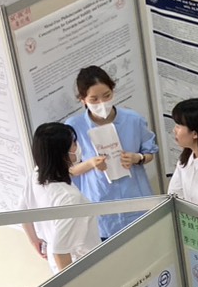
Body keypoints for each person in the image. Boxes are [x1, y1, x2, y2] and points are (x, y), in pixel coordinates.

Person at [67, 66, 159, 241]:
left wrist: (137, 158)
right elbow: (69, 170)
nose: (102, 103)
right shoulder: (74, 127)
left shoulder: (133, 119)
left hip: (135, 200)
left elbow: (150, 153)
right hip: (101, 207)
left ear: (113, 91)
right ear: (82, 100)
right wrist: (91, 164)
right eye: (94, 99)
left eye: (107, 95)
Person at [20, 122, 103, 273]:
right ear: (62, 154)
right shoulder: (69, 198)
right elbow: (60, 251)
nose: (77, 147)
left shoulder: (36, 174)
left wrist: (34, 240)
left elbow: (22, 212)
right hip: (79, 266)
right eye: (74, 144)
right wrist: (70, 284)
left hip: (57, 261)